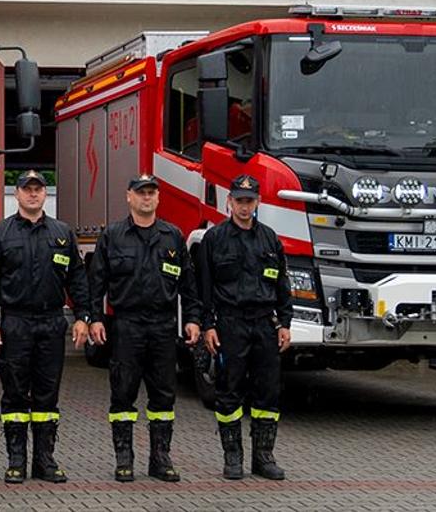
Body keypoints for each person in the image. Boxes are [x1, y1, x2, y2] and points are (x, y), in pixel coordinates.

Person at [0, 170, 91, 484]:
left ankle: (45, 460)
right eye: (27, 190)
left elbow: (78, 280)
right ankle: (16, 461)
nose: (33, 194)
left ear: (44, 194)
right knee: (14, 395)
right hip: (15, 322)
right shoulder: (0, 234)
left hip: (52, 322)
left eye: (38, 189)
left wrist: (83, 316)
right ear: (17, 194)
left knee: (47, 396)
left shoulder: (62, 233)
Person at [187, 173, 290, 481]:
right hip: (230, 323)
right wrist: (208, 325)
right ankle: (233, 457)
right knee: (229, 390)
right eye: (239, 201)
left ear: (258, 203)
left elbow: (282, 284)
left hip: (264, 323)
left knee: (268, 392)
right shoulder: (214, 239)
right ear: (229, 202)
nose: (245, 207)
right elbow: (204, 287)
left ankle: (264, 457)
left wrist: (285, 322)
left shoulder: (270, 239)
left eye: (250, 201)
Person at [87, 173, 189, 483]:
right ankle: (124, 459)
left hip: (162, 325)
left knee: (163, 397)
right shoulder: (113, 235)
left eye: (151, 193)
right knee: (123, 394)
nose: (147, 198)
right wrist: (95, 319)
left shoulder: (172, 236)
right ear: (129, 197)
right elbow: (96, 283)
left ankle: (160, 459)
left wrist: (195, 320)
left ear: (158, 198)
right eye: (141, 193)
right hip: (127, 325)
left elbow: (190, 285)